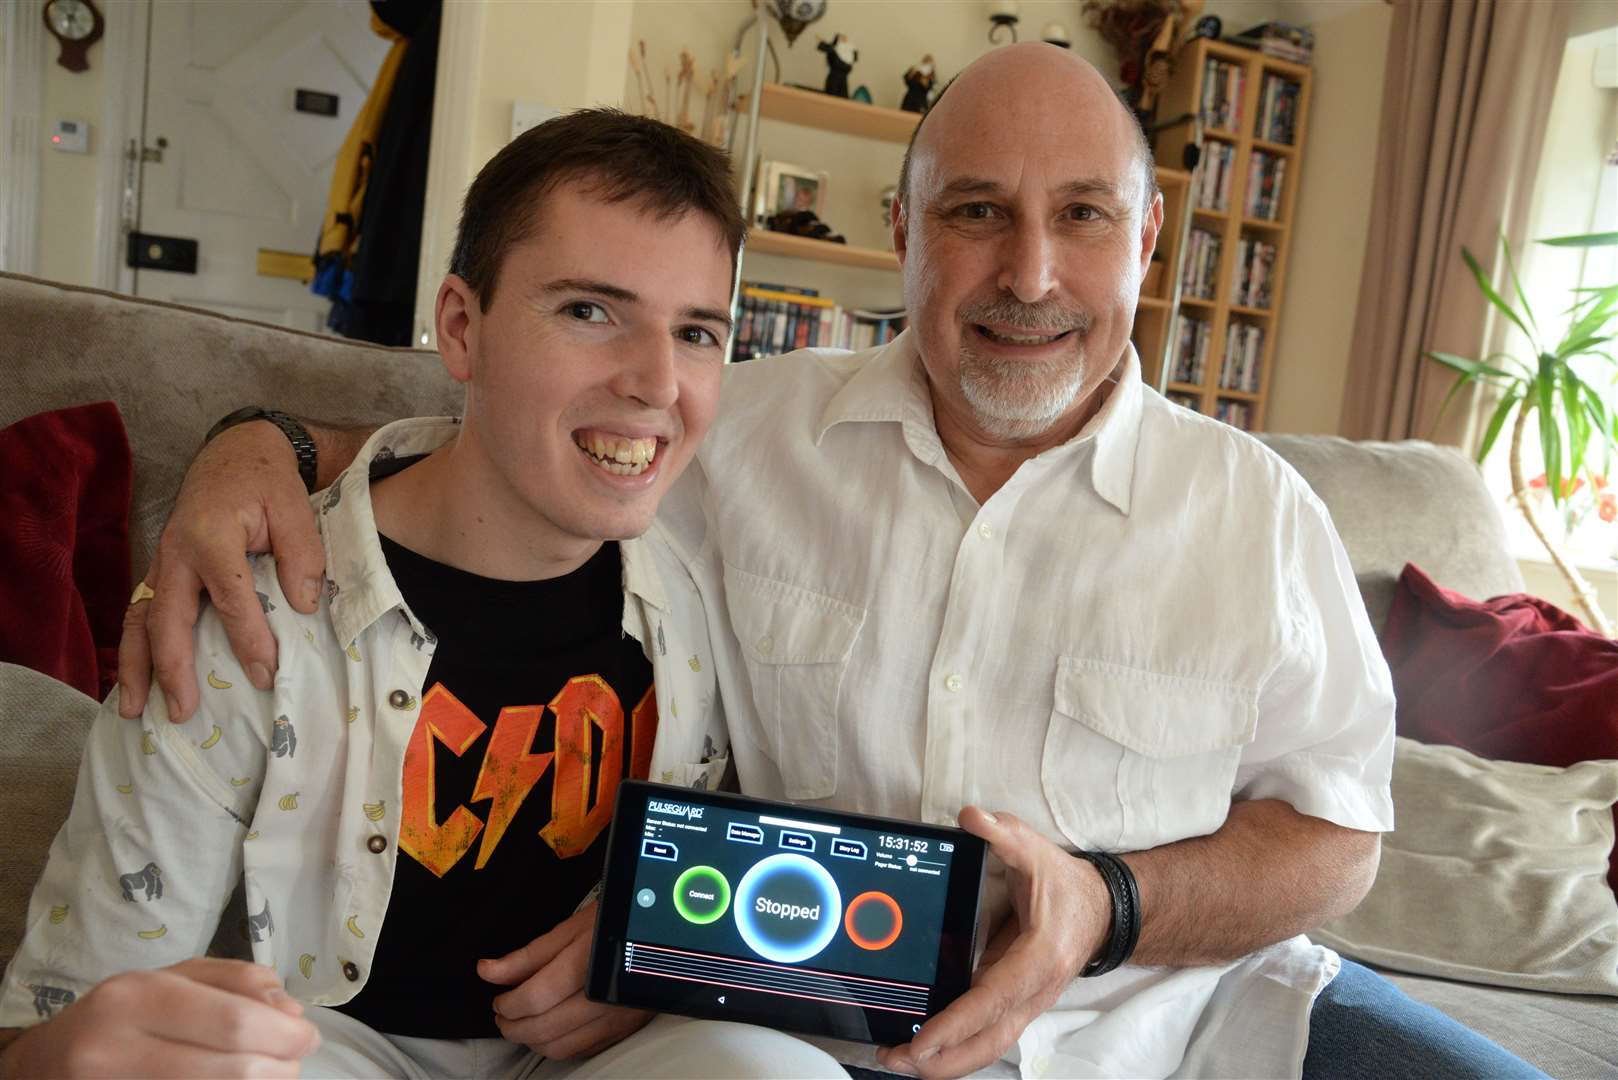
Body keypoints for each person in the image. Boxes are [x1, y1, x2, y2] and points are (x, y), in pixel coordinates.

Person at [107, 45, 1545, 1080]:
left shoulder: (1257, 517)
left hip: (1172, 1033)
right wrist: (258, 442)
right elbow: (502, 444)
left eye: (1082, 216)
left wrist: (1109, 908)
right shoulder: (736, 428)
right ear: (900, 234)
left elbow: (1339, 834)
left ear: (1148, 238)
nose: (1028, 273)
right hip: (801, 1031)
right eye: (975, 211)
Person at [0, 110, 846, 1080]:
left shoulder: (717, 577)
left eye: (696, 331)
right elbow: (65, 1019)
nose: (658, 382)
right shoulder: (248, 617)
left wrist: (659, 944)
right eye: (589, 311)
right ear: (460, 327)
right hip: (318, 1044)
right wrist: (62, 1059)